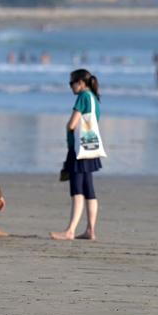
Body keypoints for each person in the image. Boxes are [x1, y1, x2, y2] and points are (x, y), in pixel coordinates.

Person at [51, 69, 102, 241]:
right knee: (89, 190)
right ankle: (90, 230)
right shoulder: (95, 98)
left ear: (80, 82)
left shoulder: (83, 97)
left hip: (78, 149)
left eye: (71, 83)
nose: (71, 87)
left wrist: (67, 127)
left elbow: (73, 124)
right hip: (90, 147)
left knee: (77, 189)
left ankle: (70, 231)